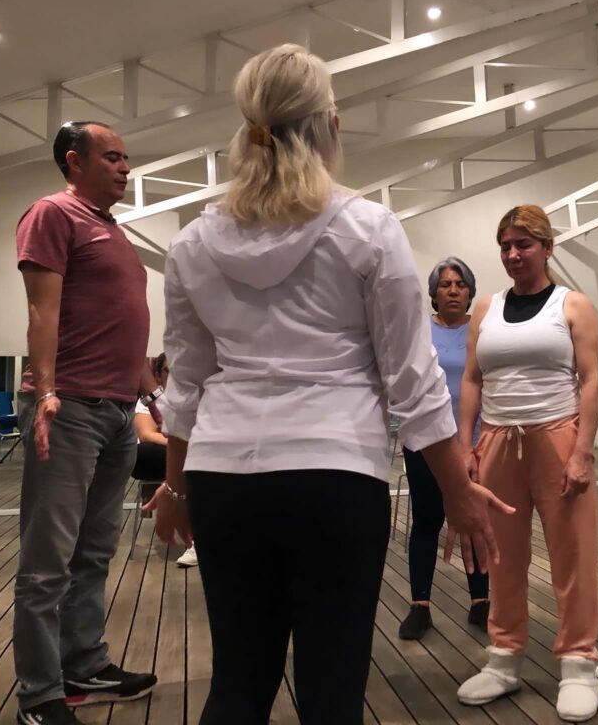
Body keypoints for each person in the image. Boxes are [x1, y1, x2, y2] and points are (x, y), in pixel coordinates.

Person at [142, 44, 511, 725]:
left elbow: (186, 383)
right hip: (334, 475)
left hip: (223, 477)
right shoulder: (367, 228)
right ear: (330, 126)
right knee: (332, 691)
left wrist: (177, 488)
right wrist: (458, 493)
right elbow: (412, 382)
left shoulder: (193, 244)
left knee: (237, 684)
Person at [14, 121, 160, 725]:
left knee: (95, 551)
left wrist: (149, 387)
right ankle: (39, 695)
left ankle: (84, 664)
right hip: (69, 407)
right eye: (113, 157)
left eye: (126, 158)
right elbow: (40, 309)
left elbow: (123, 321)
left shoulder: (113, 229)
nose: (125, 167)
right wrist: (47, 392)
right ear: (74, 161)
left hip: (118, 410)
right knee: (46, 563)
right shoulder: (53, 214)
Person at [455, 204, 598, 723]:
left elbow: (591, 380)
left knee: (573, 554)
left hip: (558, 437)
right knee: (501, 555)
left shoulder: (573, 304)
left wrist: (583, 449)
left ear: (547, 247)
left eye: (523, 244)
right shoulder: (486, 307)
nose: (513, 254)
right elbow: (472, 380)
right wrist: (465, 446)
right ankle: (503, 658)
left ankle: (579, 663)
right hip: (498, 440)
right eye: (505, 245)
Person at [398, 257, 490, 639]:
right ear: (434, 293)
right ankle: (420, 605)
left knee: (475, 519)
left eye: (460, 284)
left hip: (475, 441)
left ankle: (481, 601)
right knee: (427, 519)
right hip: (425, 440)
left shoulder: (483, 330)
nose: (453, 291)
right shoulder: (419, 330)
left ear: (470, 292)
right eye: (445, 285)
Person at [132, 354, 198, 568]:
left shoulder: (195, 396)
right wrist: (182, 443)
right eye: (169, 370)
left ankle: (198, 537)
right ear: (158, 375)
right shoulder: (149, 401)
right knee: (146, 452)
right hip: (160, 452)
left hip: (193, 452)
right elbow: (146, 434)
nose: (175, 375)